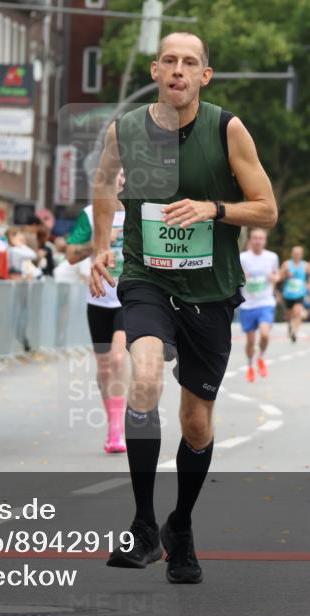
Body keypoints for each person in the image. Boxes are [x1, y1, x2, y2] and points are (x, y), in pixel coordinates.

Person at [90, 31, 276, 584]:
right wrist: (102, 243)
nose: (178, 69)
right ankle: (145, 524)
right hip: (147, 278)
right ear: (154, 70)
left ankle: (182, 525)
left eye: (189, 62)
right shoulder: (125, 130)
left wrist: (211, 209)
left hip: (211, 290)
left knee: (196, 423)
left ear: (204, 76)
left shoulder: (227, 129)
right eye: (169, 60)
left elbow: (266, 209)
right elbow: (103, 185)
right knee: (142, 374)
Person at [66, 168, 129, 453]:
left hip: (129, 297)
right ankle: (112, 424)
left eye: (125, 176)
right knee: (104, 366)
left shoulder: (139, 213)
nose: (121, 180)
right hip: (99, 298)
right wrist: (100, 241)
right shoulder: (91, 214)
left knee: (118, 359)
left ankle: (118, 430)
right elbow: (70, 254)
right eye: (116, 175)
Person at [239, 228, 280, 382]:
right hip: (248, 305)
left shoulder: (272, 257)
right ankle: (250, 365)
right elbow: (234, 277)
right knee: (250, 341)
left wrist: (274, 278)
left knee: (264, 334)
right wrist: (243, 277)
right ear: (250, 240)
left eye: (261, 238)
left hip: (265, 302)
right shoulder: (242, 258)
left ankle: (261, 357)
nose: (258, 241)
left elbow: (277, 274)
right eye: (255, 238)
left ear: (265, 241)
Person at [279, 246, 310, 342]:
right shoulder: (287, 264)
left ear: (301, 255)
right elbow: (280, 277)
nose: (297, 255)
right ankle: (289, 325)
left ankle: (294, 331)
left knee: (298, 312)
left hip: (300, 293)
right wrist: (285, 273)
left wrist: (309, 284)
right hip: (288, 293)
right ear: (292, 254)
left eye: (299, 253)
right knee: (289, 314)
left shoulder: (306, 265)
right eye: (295, 253)